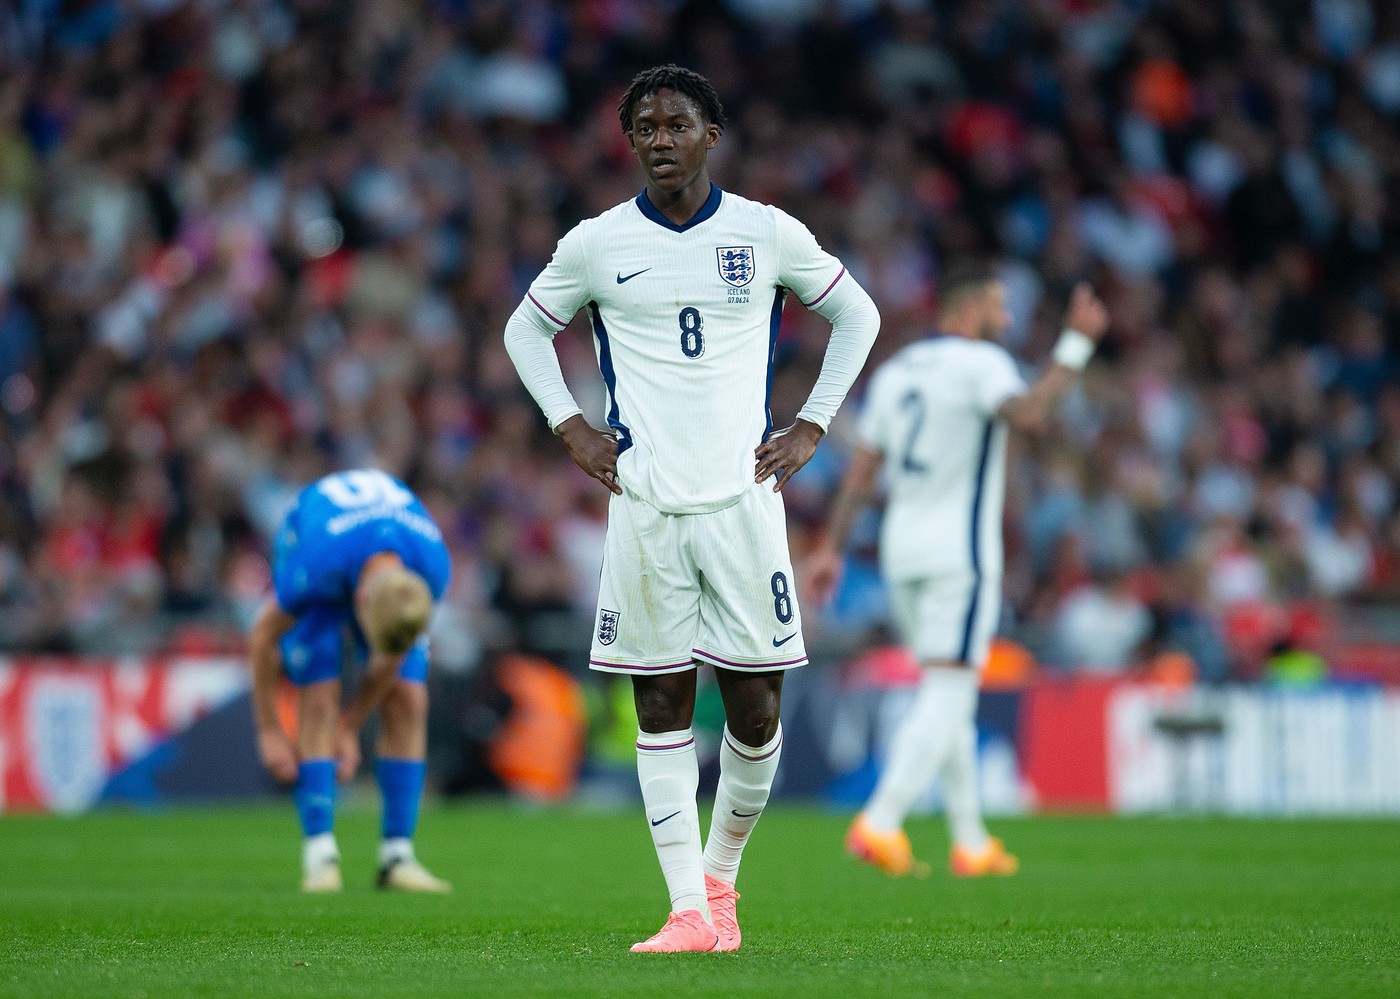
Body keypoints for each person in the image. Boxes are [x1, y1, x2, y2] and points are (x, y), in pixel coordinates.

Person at [503, 65, 879, 952]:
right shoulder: (597, 243)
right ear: (630, 140)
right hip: (645, 507)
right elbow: (525, 328)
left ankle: (721, 884)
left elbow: (857, 316)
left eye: (676, 123)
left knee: (756, 715)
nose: (660, 139)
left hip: (744, 505)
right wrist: (569, 426)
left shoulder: (766, 232)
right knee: (660, 706)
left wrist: (813, 425)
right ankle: (684, 910)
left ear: (712, 134)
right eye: (645, 126)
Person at [806, 265, 1109, 877]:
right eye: (998, 308)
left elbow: (863, 471)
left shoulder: (895, 374)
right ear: (968, 313)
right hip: (958, 554)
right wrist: (1075, 344)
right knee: (949, 688)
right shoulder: (981, 365)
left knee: (952, 691)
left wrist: (831, 549)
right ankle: (881, 821)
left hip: (901, 551)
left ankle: (971, 842)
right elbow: (1029, 417)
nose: (1006, 320)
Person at [249, 468, 453, 894]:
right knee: (319, 693)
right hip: (314, 535)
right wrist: (269, 730)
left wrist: (353, 726)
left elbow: (390, 657)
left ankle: (397, 856)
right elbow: (263, 637)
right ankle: (320, 854)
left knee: (409, 698)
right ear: (358, 604)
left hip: (372, 546)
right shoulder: (317, 567)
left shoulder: (432, 568)